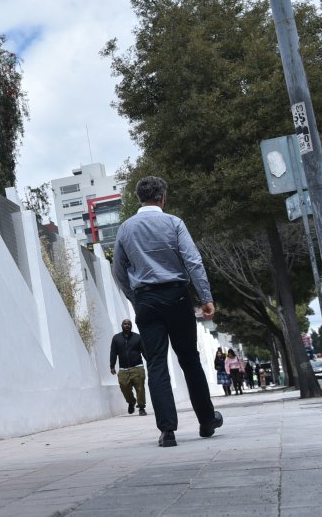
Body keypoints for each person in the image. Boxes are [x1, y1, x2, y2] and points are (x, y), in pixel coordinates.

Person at [112, 176, 223, 448]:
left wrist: (135, 297)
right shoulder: (174, 223)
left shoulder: (126, 229)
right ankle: (207, 420)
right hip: (177, 296)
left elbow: (118, 270)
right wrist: (205, 297)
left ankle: (167, 431)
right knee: (189, 359)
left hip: (147, 301)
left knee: (157, 364)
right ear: (163, 197)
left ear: (140, 197)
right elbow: (193, 261)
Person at [109, 319, 148, 416]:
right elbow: (113, 352)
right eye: (125, 324)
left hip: (137, 367)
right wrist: (112, 366)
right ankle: (131, 401)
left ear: (131, 326)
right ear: (122, 325)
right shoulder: (116, 338)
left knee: (140, 388)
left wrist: (150, 362)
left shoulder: (137, 337)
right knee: (124, 387)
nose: (127, 326)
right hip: (123, 369)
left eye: (129, 324)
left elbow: (144, 351)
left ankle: (141, 408)